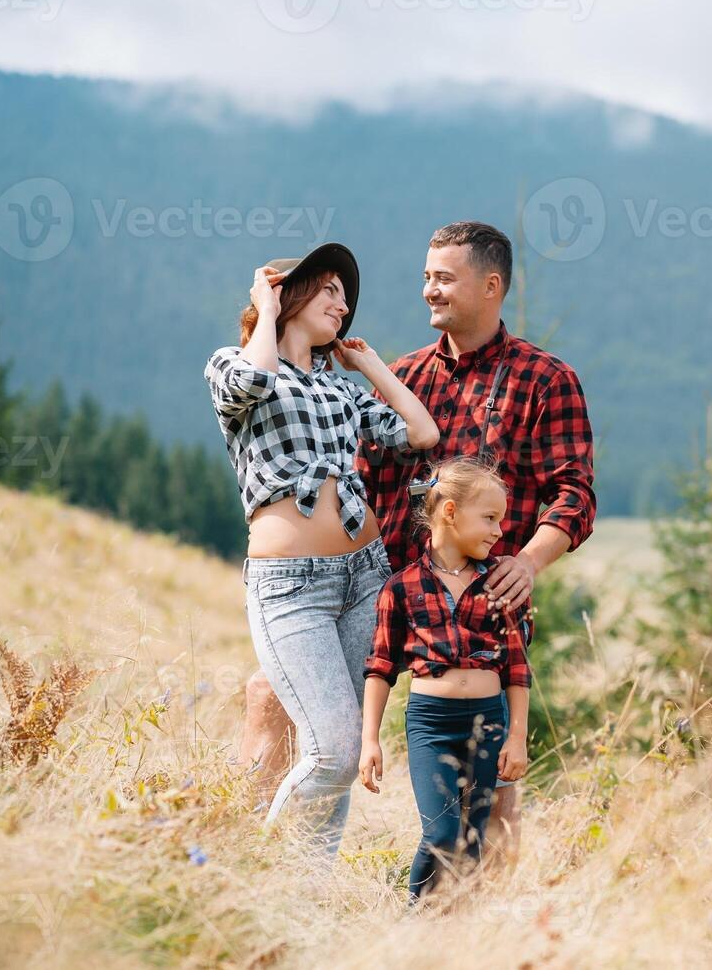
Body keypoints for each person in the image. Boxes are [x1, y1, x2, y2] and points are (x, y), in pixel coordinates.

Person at [239, 222, 597, 867]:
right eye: (426, 274)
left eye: (443, 277)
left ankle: (468, 931)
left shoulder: (545, 380)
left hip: (484, 604)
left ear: (491, 287)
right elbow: (358, 486)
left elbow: (574, 492)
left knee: (486, 785)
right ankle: (243, 860)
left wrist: (529, 560)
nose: (427, 288)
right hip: (383, 587)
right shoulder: (400, 378)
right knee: (272, 695)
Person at [204, 242, 439, 858]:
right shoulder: (231, 364)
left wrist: (371, 367)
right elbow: (254, 380)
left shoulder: (339, 390)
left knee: (341, 750)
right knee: (333, 751)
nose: (342, 305)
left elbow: (421, 432)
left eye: (345, 296)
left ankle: (308, 892)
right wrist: (263, 304)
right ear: (290, 294)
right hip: (290, 585)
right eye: (329, 290)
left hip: (364, 575)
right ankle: (261, 877)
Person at [358, 456, 532, 900]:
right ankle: (414, 919)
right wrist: (370, 740)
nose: (498, 530)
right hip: (431, 724)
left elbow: (516, 667)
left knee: (471, 842)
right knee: (440, 835)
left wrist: (517, 737)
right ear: (450, 513)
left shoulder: (500, 585)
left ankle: (454, 936)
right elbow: (380, 668)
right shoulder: (401, 587)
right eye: (489, 518)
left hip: (488, 722)